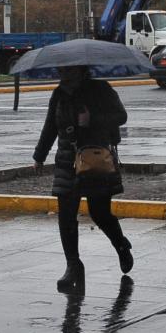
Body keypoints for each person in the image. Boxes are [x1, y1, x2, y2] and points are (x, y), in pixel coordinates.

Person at [33, 65, 134, 292]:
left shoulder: (101, 89)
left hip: (94, 160)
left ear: (81, 70)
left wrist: (93, 119)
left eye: (69, 71)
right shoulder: (59, 94)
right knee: (66, 216)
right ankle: (73, 266)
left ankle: (120, 244)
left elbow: (121, 116)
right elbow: (50, 126)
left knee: (100, 213)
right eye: (61, 71)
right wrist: (39, 156)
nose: (63, 74)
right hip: (67, 162)